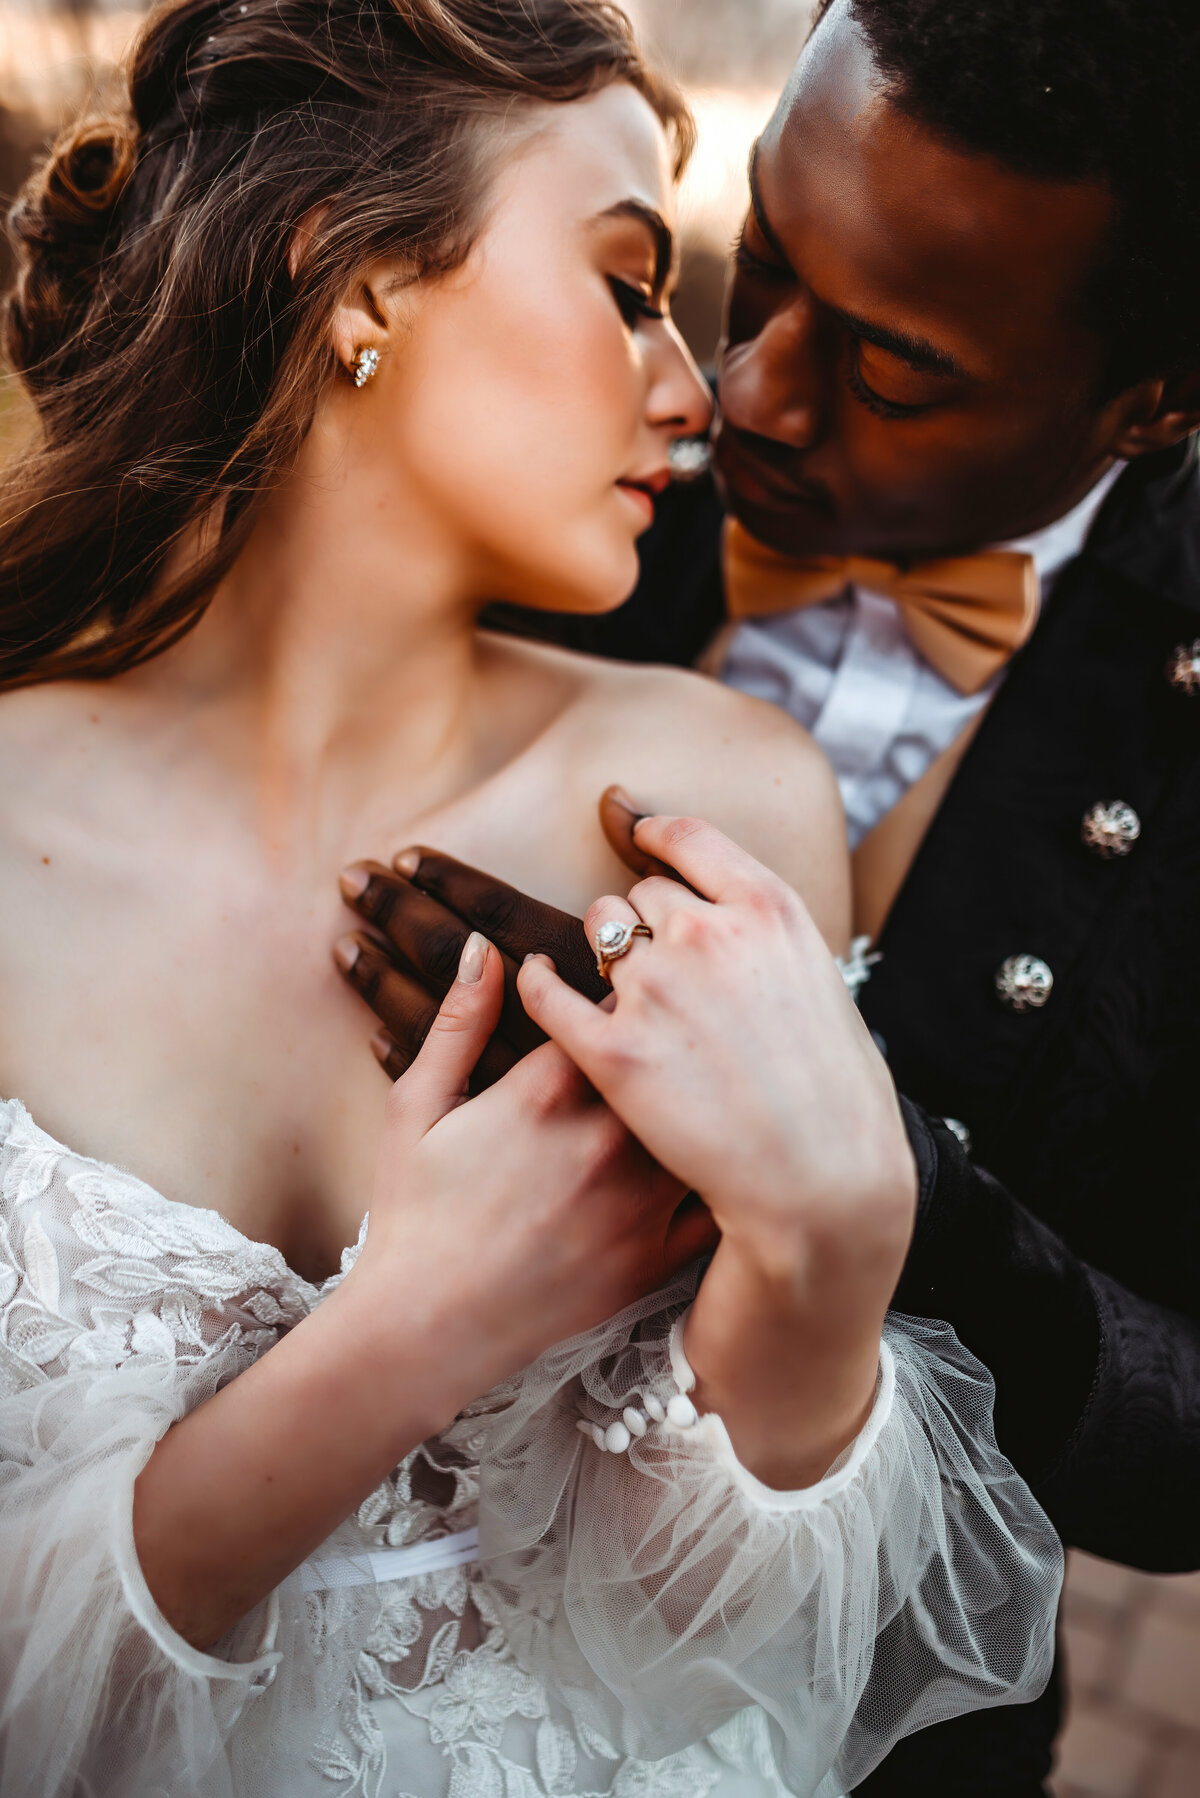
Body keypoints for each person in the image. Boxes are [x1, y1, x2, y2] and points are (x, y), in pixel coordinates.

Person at [0, 1, 1061, 1794]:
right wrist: (423, 1325)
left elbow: (717, 1660)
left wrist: (830, 1250)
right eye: (631, 282)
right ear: (350, 277)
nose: (695, 388)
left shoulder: (712, 810)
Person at [334, 1, 1200, 1793]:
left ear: (1156, 399)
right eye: (764, 266)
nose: (746, 395)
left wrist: (869, 1178)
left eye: (892, 369)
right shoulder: (552, 480)